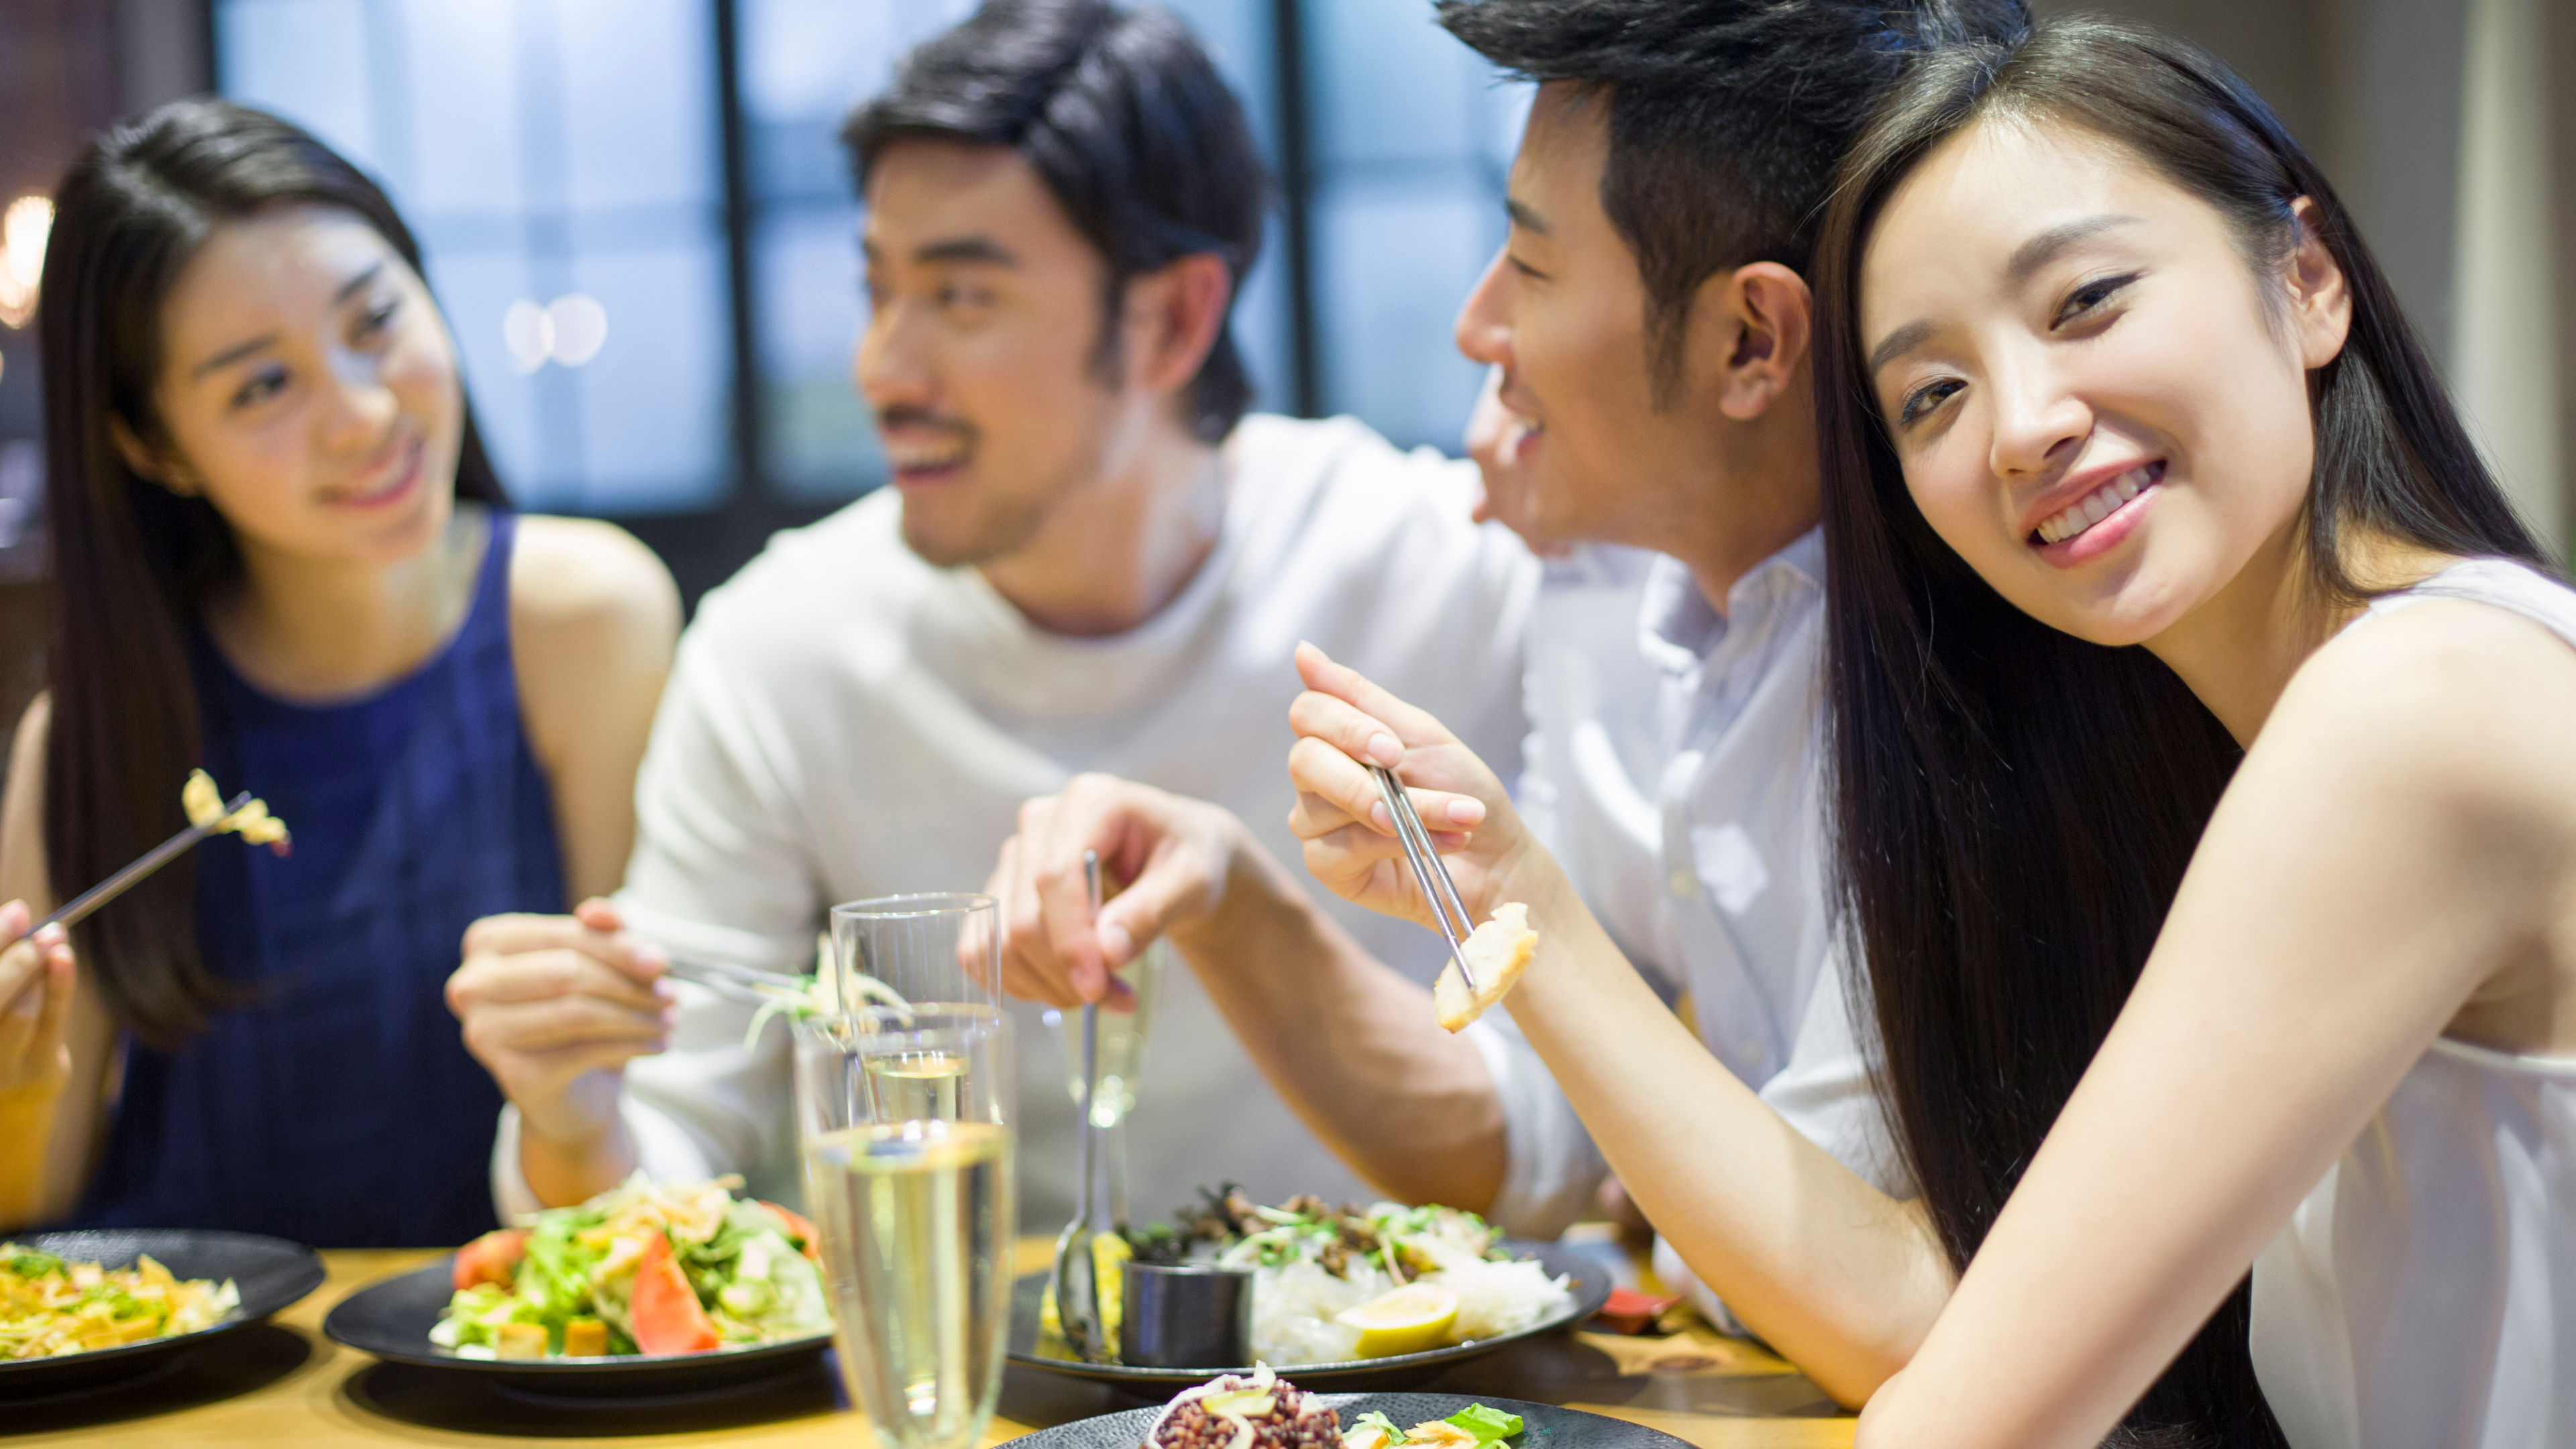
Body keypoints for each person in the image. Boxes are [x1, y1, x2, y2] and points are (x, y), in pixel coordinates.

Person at [443, 0, 1535, 1228]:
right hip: (988, 1390)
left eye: (962, 298)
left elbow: (1601, 1073)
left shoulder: (1451, 569)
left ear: (1175, 318)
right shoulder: (785, 649)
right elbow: (674, 1139)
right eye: (878, 290)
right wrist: (572, 1113)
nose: (883, 372)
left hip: (1415, 1372)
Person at [980, 0, 2021, 1277]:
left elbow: (1867, 1278)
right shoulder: (1604, 578)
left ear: (1750, 338)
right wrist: (1229, 891)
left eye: (1529, 268)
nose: (1480, 331)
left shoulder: (1974, 659)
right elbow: (1533, 1143)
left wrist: (1523, 911)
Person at [1811, 18, 2573, 1448]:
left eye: (2086, 300)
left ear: (2308, 279)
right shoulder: (2262, 737)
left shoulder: (2420, 710)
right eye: (1932, 396)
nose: (2021, 426)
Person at [0, 99, 678, 1245]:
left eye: (375, 320)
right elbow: (37, 1211)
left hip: (507, 1363)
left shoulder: (584, 620)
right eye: (262, 387)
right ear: (153, 445)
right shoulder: (98, 730)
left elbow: (660, 1113)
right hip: (196, 1400)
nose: (363, 415)